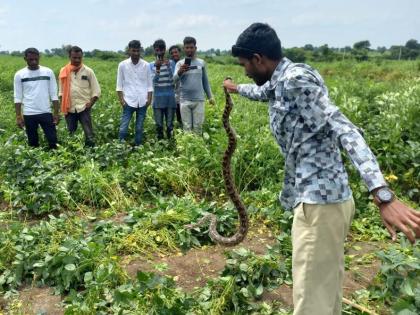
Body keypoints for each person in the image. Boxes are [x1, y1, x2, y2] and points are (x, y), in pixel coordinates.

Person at [223, 23, 420, 315]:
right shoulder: (280, 83)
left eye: (245, 66)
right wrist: (236, 89)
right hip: (318, 202)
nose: (245, 71)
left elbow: (346, 130)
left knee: (311, 303)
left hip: (320, 206)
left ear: (258, 58)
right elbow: (264, 93)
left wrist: (382, 193)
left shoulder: (295, 81)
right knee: (324, 296)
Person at [13, 47, 59, 149]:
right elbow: (17, 97)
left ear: (39, 57)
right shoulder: (19, 75)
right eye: (30, 60)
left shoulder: (48, 72)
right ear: (25, 59)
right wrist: (18, 116)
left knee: (53, 141)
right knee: (33, 143)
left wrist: (56, 113)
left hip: (46, 112)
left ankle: (56, 163)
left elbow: (54, 94)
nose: (34, 62)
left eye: (36, 59)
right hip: (29, 113)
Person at [59, 46, 101, 147]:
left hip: (84, 107)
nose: (77, 60)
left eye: (79, 58)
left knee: (89, 133)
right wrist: (63, 106)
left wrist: (90, 104)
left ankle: (91, 151)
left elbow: (97, 90)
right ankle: (73, 152)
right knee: (71, 133)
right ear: (69, 57)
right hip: (69, 108)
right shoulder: (64, 71)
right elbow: (61, 92)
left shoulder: (88, 71)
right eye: (74, 58)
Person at [173, 36, 215, 134]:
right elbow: (173, 80)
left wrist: (210, 97)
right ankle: (188, 148)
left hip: (199, 100)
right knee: (187, 128)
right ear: (184, 49)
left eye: (191, 47)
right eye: (187, 47)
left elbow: (205, 81)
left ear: (195, 48)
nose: (189, 50)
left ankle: (197, 147)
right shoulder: (179, 64)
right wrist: (180, 72)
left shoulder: (201, 63)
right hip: (184, 100)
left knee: (198, 128)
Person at [116, 40, 152, 146]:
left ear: (140, 51)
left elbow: (149, 85)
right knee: (123, 127)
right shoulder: (122, 65)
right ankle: (120, 147)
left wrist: (149, 100)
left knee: (139, 127)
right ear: (129, 51)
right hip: (128, 101)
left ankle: (138, 148)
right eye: (133, 51)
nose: (136, 53)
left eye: (137, 51)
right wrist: (122, 101)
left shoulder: (146, 65)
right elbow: (119, 85)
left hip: (142, 101)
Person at [150, 39, 177, 140]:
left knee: (170, 126)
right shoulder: (150, 65)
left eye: (161, 50)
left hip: (170, 99)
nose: (159, 52)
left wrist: (169, 67)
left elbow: (174, 81)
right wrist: (157, 69)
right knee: (159, 126)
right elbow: (153, 82)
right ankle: (161, 145)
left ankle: (170, 144)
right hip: (157, 100)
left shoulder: (172, 63)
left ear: (165, 50)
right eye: (157, 50)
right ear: (154, 51)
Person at [169, 44, 182, 127]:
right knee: (173, 117)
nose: (174, 54)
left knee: (181, 117)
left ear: (179, 52)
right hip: (173, 95)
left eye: (176, 52)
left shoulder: (183, 63)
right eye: (172, 53)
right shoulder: (169, 65)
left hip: (183, 95)